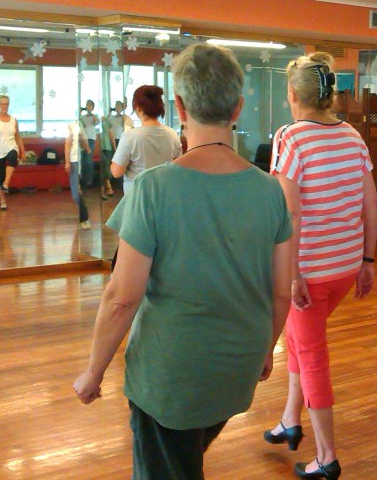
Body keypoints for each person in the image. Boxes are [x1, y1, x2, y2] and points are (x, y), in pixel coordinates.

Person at [73, 43, 293, 479]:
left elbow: (121, 297)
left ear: (179, 106)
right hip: (238, 364)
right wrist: (265, 349)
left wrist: (93, 372)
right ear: (237, 107)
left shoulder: (154, 189)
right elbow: (281, 292)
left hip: (171, 377)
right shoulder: (270, 190)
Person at [265, 52, 377, 480]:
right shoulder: (352, 135)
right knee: (298, 339)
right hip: (345, 267)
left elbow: (290, 213)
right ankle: (289, 421)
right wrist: (368, 260)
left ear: (293, 94)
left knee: (311, 354)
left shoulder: (290, 137)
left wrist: (292, 274)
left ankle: (327, 456)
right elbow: (370, 204)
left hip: (309, 273)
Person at [110, 85, 182, 194]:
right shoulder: (173, 134)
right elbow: (177, 168)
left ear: (138, 108)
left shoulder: (130, 136)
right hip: (164, 194)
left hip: (137, 197)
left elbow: (116, 172)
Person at [0, 95, 27, 211]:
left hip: (11, 145)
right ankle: (2, 201)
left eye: (6, 104)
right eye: (2, 104)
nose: (4, 106)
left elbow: (18, 136)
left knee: (13, 156)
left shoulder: (14, 120)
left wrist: (23, 151)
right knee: (0, 174)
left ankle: (6, 183)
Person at [65, 119, 91, 230]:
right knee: (76, 192)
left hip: (79, 162)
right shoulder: (70, 125)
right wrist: (67, 162)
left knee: (76, 193)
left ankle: (84, 219)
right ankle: (84, 218)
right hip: (74, 161)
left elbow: (86, 147)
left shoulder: (79, 125)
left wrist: (82, 138)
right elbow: (67, 145)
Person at [79, 99, 100, 188]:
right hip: (82, 139)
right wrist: (79, 113)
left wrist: (90, 113)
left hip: (90, 139)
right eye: (87, 105)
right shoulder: (82, 117)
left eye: (90, 105)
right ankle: (83, 180)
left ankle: (89, 181)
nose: (88, 106)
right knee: (82, 160)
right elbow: (80, 125)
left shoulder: (95, 116)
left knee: (88, 159)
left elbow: (96, 122)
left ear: (93, 107)